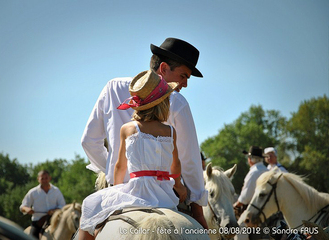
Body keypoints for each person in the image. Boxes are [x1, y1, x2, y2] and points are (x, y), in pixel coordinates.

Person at [81, 38, 208, 228]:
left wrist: (113, 173)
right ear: (164, 68)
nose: (185, 84)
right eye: (183, 76)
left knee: (87, 217)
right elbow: (189, 160)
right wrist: (197, 210)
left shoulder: (112, 87)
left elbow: (88, 142)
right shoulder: (178, 102)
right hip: (165, 194)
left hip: (120, 191)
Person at [79, 70, 185, 240]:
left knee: (89, 206)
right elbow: (176, 165)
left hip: (137, 191)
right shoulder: (170, 131)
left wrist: (116, 189)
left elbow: (120, 166)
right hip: (164, 193)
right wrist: (179, 185)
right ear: (163, 104)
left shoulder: (128, 129)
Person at [20, 170, 66, 239]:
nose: (44, 180)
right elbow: (23, 206)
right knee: (32, 237)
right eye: (42, 178)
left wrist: (54, 210)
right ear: (38, 179)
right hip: (38, 222)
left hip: (54, 220)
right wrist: (27, 209)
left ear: (50, 178)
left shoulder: (56, 191)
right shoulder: (33, 192)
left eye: (46, 178)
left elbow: (63, 206)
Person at [233, 146, 268, 212]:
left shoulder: (253, 173)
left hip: (254, 212)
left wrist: (235, 206)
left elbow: (245, 198)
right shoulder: (268, 171)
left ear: (250, 159)